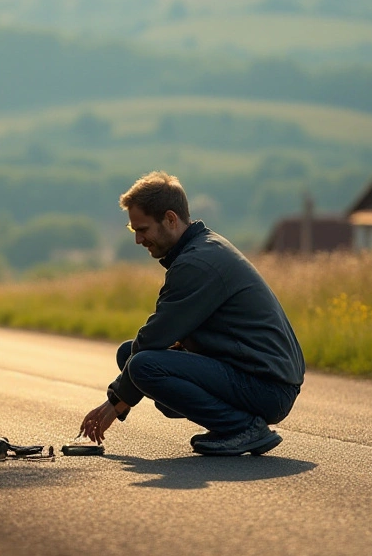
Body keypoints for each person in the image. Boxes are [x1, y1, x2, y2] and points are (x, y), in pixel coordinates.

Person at [79, 171, 305, 456]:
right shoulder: (201, 249)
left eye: (143, 229)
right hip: (256, 375)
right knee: (129, 355)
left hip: (267, 387)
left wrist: (114, 402)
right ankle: (234, 423)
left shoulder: (198, 263)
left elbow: (155, 338)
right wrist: (120, 397)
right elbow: (155, 340)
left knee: (141, 365)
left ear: (171, 220)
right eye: (132, 230)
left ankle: (242, 428)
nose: (138, 239)